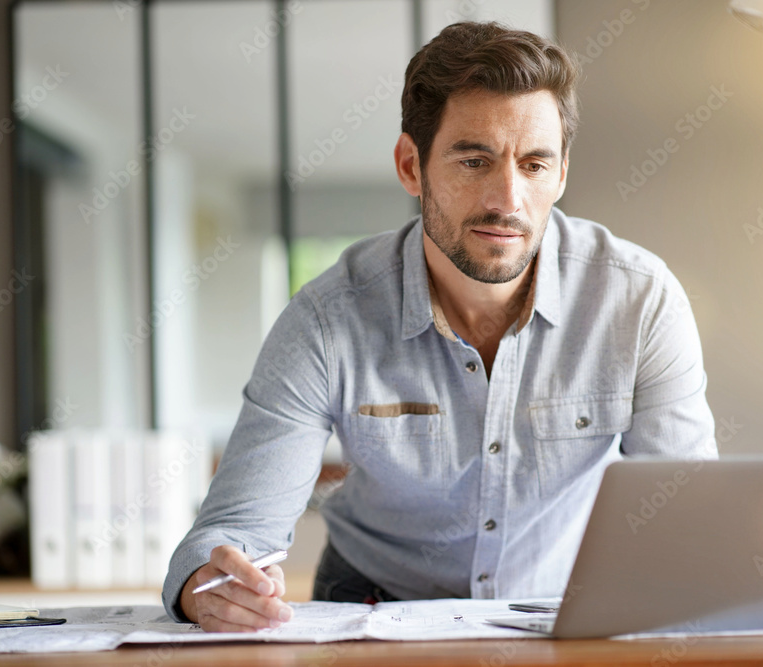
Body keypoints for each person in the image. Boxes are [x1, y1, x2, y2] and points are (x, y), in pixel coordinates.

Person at [163, 20, 717, 632]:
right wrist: (211, 587)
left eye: (534, 165)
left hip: (557, 612)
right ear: (410, 165)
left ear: (561, 174)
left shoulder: (638, 301)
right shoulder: (326, 319)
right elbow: (232, 531)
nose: (507, 198)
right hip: (371, 609)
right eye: (474, 160)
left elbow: (687, 519)